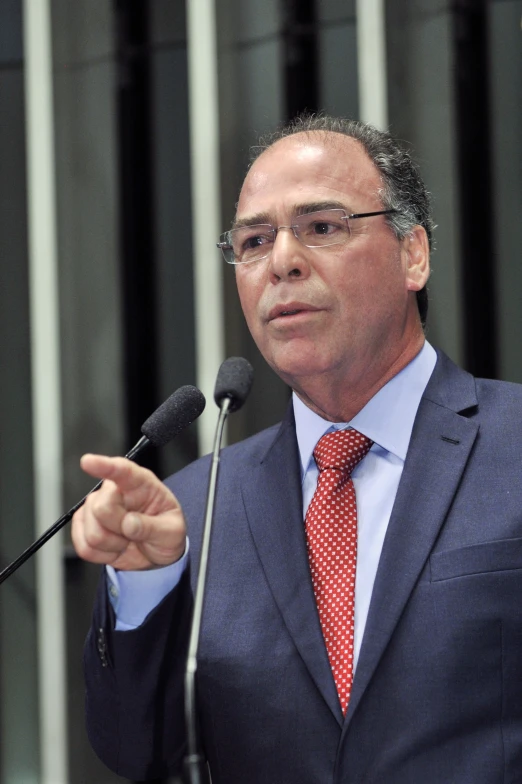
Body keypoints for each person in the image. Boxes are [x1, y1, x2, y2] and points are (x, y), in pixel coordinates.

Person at [72, 115, 522, 783]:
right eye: (255, 240)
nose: (282, 260)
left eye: (322, 227)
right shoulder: (193, 508)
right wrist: (144, 587)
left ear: (413, 254)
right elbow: (137, 751)